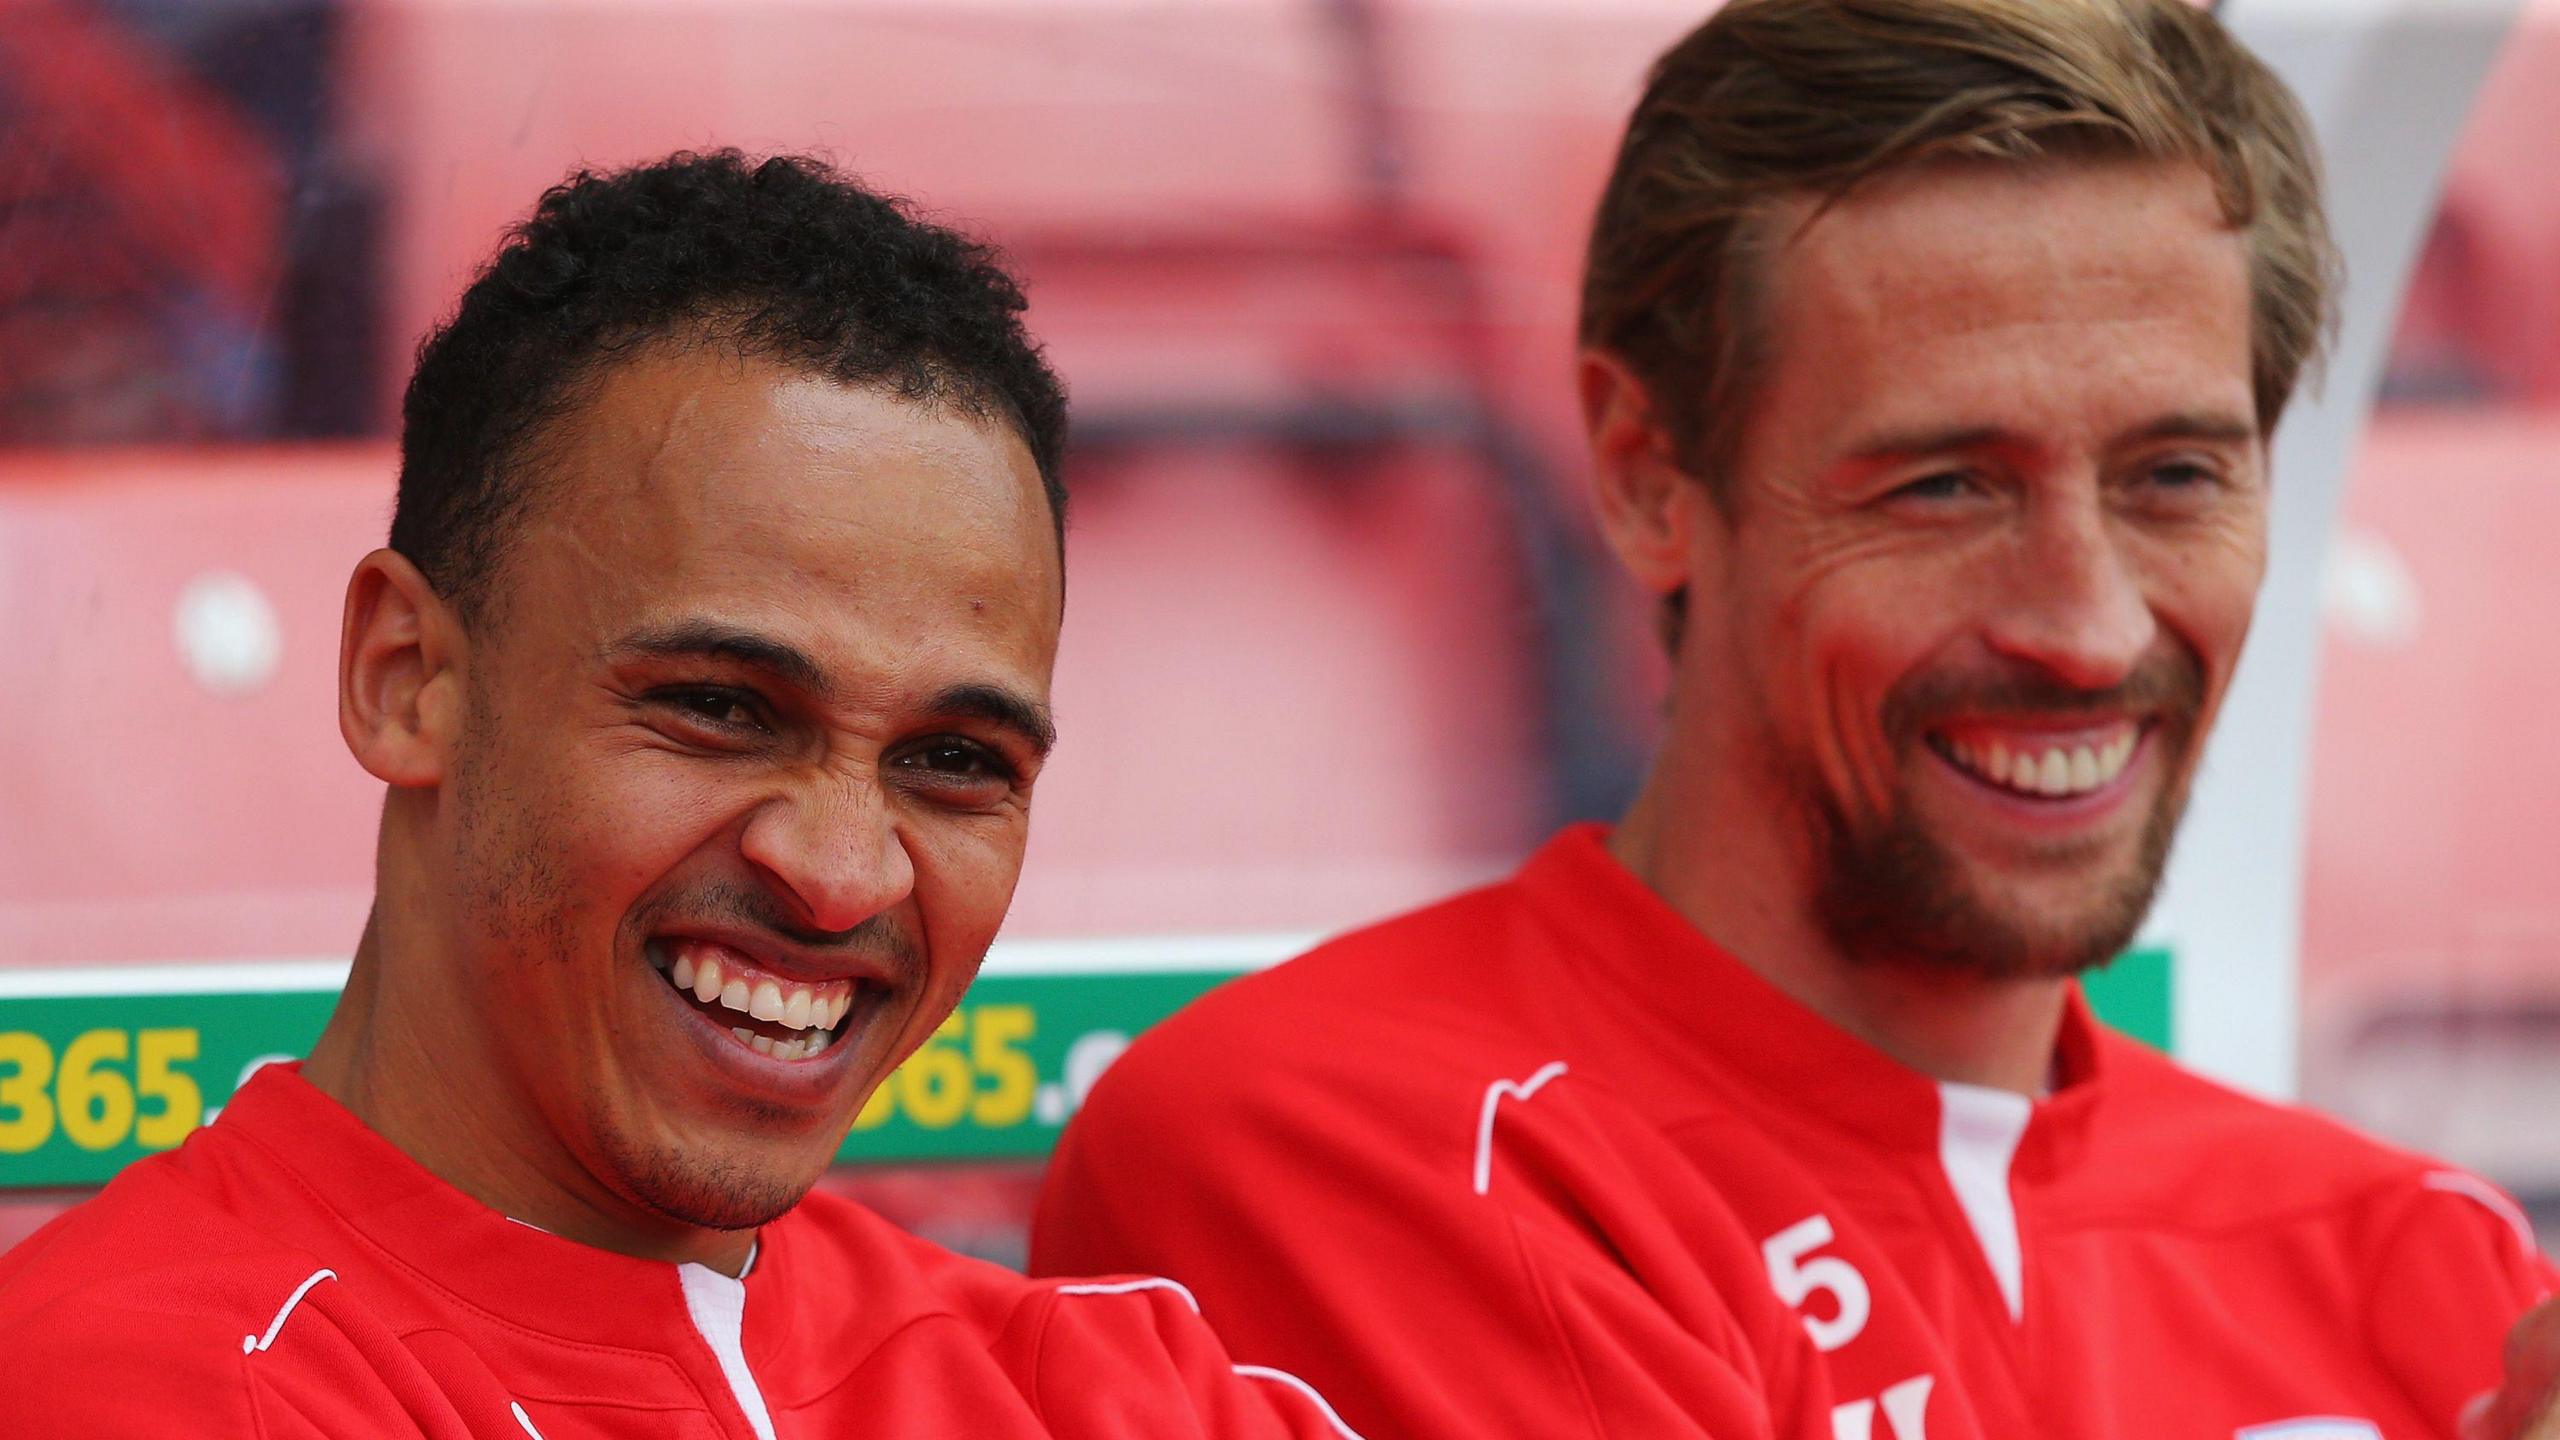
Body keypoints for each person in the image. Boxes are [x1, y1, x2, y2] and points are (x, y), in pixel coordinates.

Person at [1030, 3, 2555, 1437]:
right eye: (1944, 485)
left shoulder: (2431, 1263)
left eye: (2175, 476)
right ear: (1643, 476)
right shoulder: (1329, 1150)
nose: (2088, 627)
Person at [0, 150, 1356, 1440]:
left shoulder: (1103, 1388)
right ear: (406, 678)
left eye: (953, 762)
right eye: (720, 709)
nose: (841, 874)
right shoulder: (145, 1381)